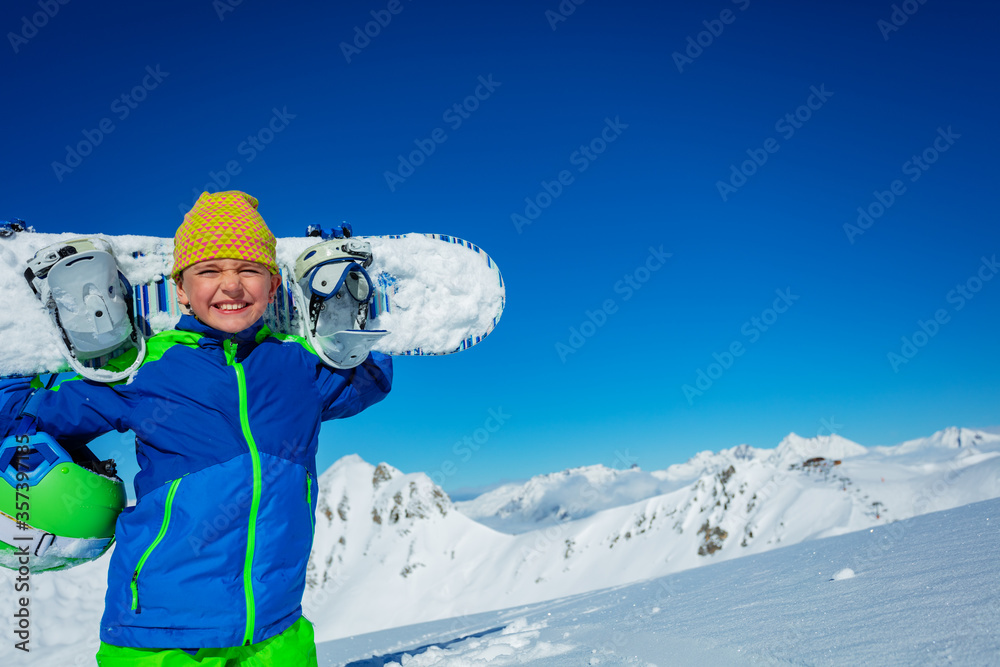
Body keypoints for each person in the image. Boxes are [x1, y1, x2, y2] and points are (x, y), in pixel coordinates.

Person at [2, 191, 392, 665]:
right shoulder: (149, 368)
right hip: (160, 634)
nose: (231, 286)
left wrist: (345, 308)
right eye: (208, 271)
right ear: (181, 291)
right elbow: (29, 414)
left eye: (249, 270)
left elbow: (366, 382)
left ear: (273, 288)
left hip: (275, 627)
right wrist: (17, 346)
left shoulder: (297, 369)